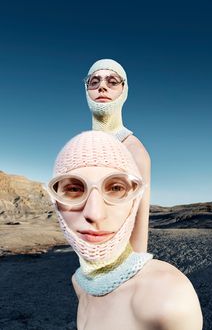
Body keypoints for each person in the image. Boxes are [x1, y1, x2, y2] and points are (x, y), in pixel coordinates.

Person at [47, 131, 203, 330]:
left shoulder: (168, 295)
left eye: (116, 188)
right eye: (74, 189)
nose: (94, 213)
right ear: (55, 201)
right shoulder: (80, 283)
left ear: (134, 202)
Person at [84, 59, 150, 252]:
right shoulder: (85, 147)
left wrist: (125, 278)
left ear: (124, 90)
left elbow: (139, 226)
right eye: (94, 82)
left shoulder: (134, 151)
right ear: (86, 90)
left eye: (112, 82)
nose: (102, 87)